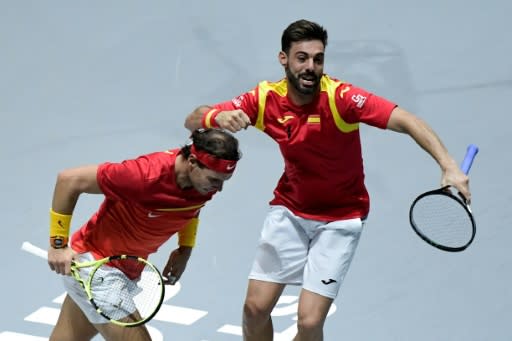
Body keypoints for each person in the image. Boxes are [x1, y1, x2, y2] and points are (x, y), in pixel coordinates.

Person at [184, 19, 471, 341]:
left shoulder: (342, 98)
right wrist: (216, 116)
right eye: (302, 58)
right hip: (290, 211)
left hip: (340, 219)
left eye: (318, 59)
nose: (311, 67)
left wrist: (449, 166)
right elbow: (193, 119)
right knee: (254, 309)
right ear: (284, 59)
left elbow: (407, 120)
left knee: (308, 323)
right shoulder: (265, 99)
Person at [47, 128, 241, 341]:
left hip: (128, 266)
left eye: (225, 180)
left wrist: (185, 248)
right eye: (214, 180)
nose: (219, 188)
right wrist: (58, 244)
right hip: (96, 267)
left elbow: (191, 206)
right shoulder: (144, 175)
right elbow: (69, 180)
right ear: (192, 162)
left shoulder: (201, 183)